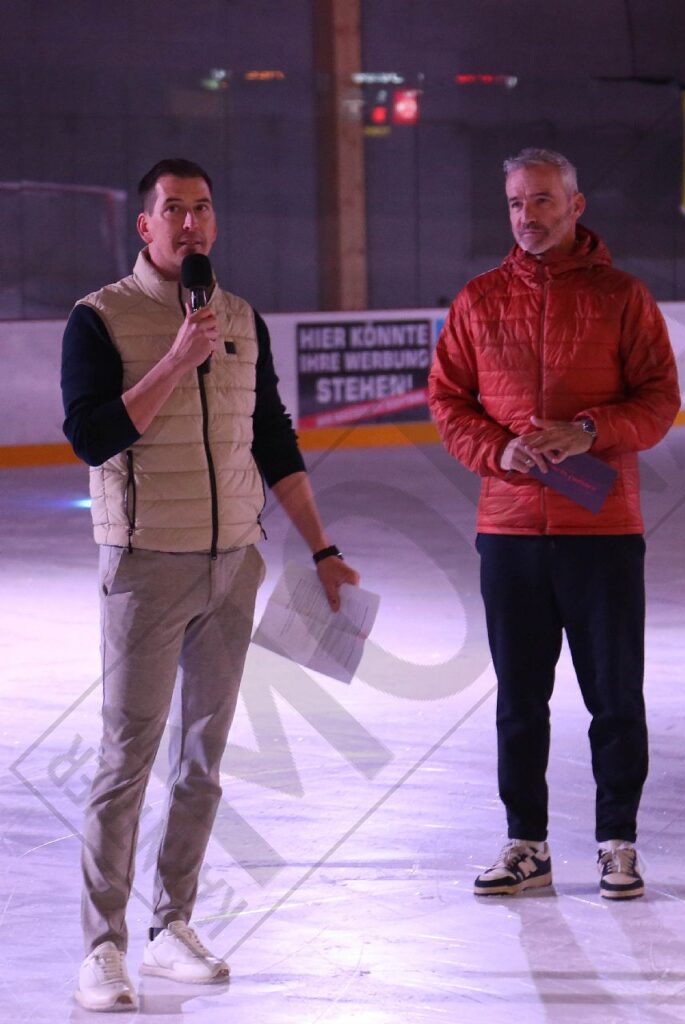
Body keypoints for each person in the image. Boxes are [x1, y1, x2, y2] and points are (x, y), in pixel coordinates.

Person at [61, 158, 359, 1011]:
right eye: (172, 210)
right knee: (126, 760)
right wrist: (172, 361)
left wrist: (323, 548)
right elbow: (90, 437)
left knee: (203, 762)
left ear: (214, 223)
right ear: (144, 226)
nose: (189, 223)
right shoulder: (99, 319)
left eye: (201, 209)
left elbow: (273, 438)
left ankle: (173, 926)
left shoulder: (241, 319)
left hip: (233, 567)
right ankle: (103, 947)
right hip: (146, 567)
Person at [428, 148, 680, 900]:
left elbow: (658, 401)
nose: (527, 216)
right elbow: (447, 401)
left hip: (601, 533)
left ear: (575, 206)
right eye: (515, 202)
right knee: (518, 702)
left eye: (541, 200)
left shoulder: (623, 298)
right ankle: (526, 845)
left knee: (614, 698)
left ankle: (617, 844)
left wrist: (588, 430)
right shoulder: (478, 300)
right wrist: (498, 450)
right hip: (509, 533)